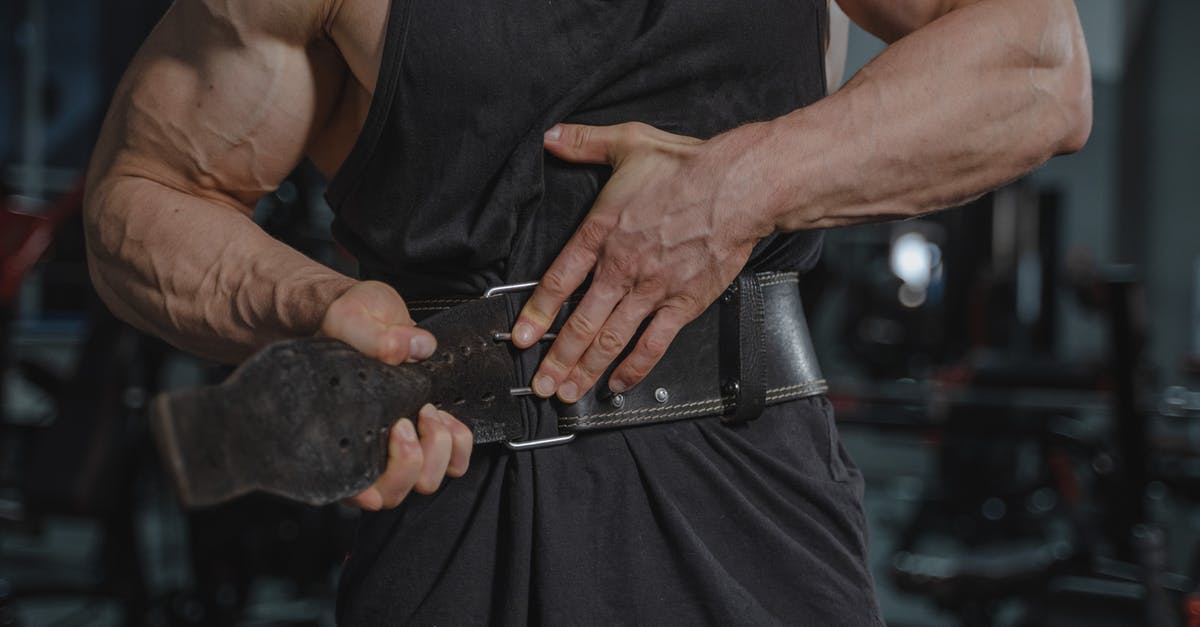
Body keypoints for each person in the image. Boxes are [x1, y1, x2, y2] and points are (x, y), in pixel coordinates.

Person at [83, 0, 1091, 623]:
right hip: (459, 499)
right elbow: (145, 194)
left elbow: (1039, 68)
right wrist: (320, 305)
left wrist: (741, 190)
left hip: (751, 495)